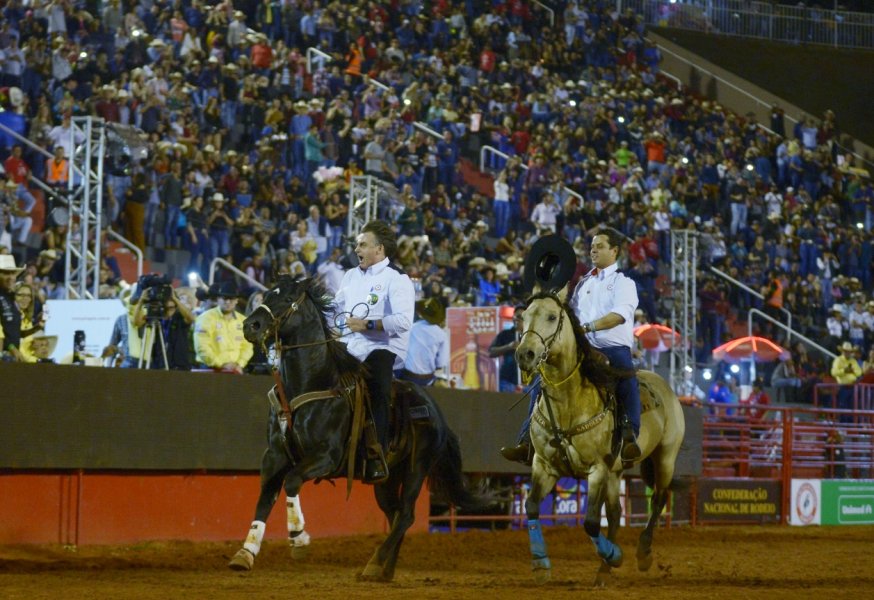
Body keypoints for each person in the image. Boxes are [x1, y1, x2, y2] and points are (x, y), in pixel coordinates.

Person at [334, 220, 415, 483]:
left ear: (378, 249)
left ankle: (375, 454)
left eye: (362, 244)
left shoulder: (397, 278)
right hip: (350, 345)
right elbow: (335, 311)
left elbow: (403, 321)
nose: (356, 248)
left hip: (383, 346)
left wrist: (367, 324)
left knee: (379, 388)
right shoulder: (349, 276)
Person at [569, 228, 642, 460]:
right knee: (546, 375)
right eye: (592, 246)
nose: (593, 250)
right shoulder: (583, 283)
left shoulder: (624, 282)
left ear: (614, 251)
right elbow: (571, 314)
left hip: (612, 348)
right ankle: (528, 437)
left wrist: (587, 328)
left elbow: (619, 315)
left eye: (600, 246)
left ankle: (630, 433)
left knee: (626, 376)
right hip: (582, 348)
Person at [193, 282, 253, 373]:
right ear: (218, 299)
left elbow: (248, 346)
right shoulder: (205, 318)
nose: (228, 302)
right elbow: (202, 347)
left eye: (231, 298)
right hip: (210, 369)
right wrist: (222, 364)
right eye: (224, 298)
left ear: (237, 300)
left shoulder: (243, 321)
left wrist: (240, 364)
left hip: (236, 369)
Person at [398, 297, 449, 387]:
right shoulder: (442, 335)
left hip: (408, 376)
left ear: (421, 314)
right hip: (427, 379)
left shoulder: (411, 328)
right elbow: (441, 363)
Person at [0, 254, 24, 361]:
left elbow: (13, 330)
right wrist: (11, 347)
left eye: (13, 273)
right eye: (5, 273)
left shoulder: (11, 297)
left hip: (12, 356)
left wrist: (37, 327)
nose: (10, 277)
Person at [831, 341, 862, 421]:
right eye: (846, 351)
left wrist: (851, 371)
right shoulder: (838, 360)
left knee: (852, 407)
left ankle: (851, 425)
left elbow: (859, 372)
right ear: (842, 351)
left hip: (852, 387)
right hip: (843, 387)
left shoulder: (853, 361)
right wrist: (844, 371)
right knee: (843, 406)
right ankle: (843, 425)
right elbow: (833, 372)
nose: (847, 353)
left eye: (848, 352)